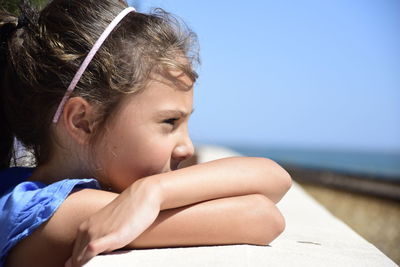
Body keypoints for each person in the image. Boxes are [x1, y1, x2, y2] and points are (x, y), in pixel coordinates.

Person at [0, 0, 292, 266]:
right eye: (169, 122)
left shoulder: (18, 188)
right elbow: (260, 216)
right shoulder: (55, 212)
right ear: (82, 121)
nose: (187, 147)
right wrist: (153, 193)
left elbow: (275, 177)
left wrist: (152, 191)